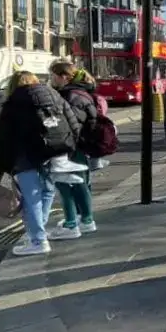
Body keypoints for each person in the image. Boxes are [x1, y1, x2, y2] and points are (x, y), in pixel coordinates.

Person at [0, 71, 80, 256]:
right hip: (51, 151)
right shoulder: (53, 96)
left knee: (31, 197)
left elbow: (2, 138)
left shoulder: (11, 104)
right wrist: (69, 147)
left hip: (24, 156)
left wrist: (3, 163)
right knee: (47, 191)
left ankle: (38, 239)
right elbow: (72, 122)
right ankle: (38, 231)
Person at [48, 61, 99, 240]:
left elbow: (69, 123)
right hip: (82, 144)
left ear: (64, 77)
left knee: (66, 182)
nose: (51, 79)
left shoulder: (71, 96)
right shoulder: (80, 92)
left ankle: (72, 224)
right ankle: (85, 220)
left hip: (73, 145)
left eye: (53, 75)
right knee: (80, 182)